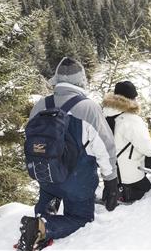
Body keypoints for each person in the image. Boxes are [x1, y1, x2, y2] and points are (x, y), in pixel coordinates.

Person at [17, 57, 119, 251]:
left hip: (46, 173)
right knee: (81, 217)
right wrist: (111, 181)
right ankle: (44, 227)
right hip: (77, 181)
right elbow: (105, 148)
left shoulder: (40, 105)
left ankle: (43, 214)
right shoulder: (88, 108)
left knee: (50, 193)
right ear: (81, 80)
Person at [103, 81, 151, 203]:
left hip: (111, 173)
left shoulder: (105, 115)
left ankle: (117, 191)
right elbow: (146, 145)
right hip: (131, 176)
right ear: (131, 98)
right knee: (150, 196)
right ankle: (128, 193)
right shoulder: (130, 119)